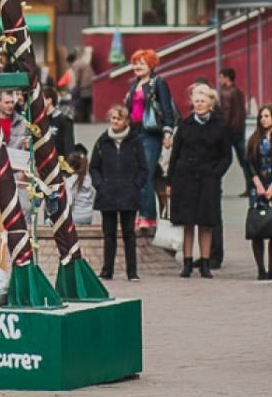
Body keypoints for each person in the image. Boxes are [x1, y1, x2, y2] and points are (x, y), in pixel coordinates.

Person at [166, 85, 231, 278]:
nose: (199, 104)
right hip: (185, 178)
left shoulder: (219, 126)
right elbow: (175, 154)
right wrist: (170, 182)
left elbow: (226, 156)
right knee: (187, 222)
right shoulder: (185, 125)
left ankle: (205, 263)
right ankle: (186, 263)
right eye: (196, 101)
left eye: (203, 101)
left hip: (208, 179)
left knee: (206, 222)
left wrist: (215, 173)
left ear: (211, 103)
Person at [90, 104, 147, 281]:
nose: (115, 122)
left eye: (119, 118)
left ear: (126, 121)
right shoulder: (102, 141)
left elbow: (143, 168)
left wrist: (136, 184)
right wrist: (100, 184)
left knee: (129, 233)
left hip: (128, 193)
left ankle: (132, 271)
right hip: (107, 193)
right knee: (109, 234)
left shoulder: (135, 141)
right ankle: (108, 270)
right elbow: (94, 167)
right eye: (113, 118)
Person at [123, 49, 177, 235]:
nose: (137, 66)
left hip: (150, 135)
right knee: (137, 176)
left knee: (146, 175)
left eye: (141, 63)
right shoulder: (134, 85)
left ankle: (148, 219)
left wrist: (168, 134)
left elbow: (167, 110)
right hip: (134, 134)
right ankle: (142, 216)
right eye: (135, 63)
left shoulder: (158, 83)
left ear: (151, 66)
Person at [243, 104, 272, 280]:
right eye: (261, 116)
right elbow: (249, 163)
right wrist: (257, 184)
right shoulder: (254, 139)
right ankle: (261, 269)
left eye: (267, 116)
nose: (264, 119)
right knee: (258, 227)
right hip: (259, 188)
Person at [216, 68, 249, 197]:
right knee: (244, 160)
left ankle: (215, 183)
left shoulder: (226, 93)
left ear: (226, 77)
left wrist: (222, 128)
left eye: (221, 77)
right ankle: (250, 185)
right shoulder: (239, 92)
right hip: (239, 129)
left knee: (224, 158)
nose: (219, 80)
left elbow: (226, 113)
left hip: (229, 130)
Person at [63, 152, 96, 225]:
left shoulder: (70, 181)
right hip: (89, 217)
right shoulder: (89, 179)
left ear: (71, 167)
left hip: (75, 217)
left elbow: (69, 202)